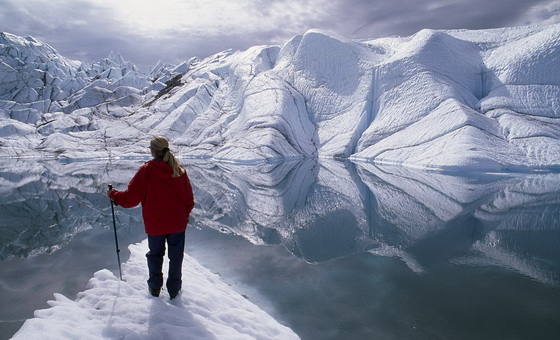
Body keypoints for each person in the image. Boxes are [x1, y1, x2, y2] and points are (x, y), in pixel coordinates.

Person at [107, 136, 195, 300]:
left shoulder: (146, 170)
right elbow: (189, 200)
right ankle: (174, 290)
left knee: (155, 255)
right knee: (176, 257)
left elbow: (131, 199)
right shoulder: (180, 171)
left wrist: (114, 195)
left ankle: (155, 288)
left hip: (155, 225)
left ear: (153, 150)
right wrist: (184, 217)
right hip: (177, 224)